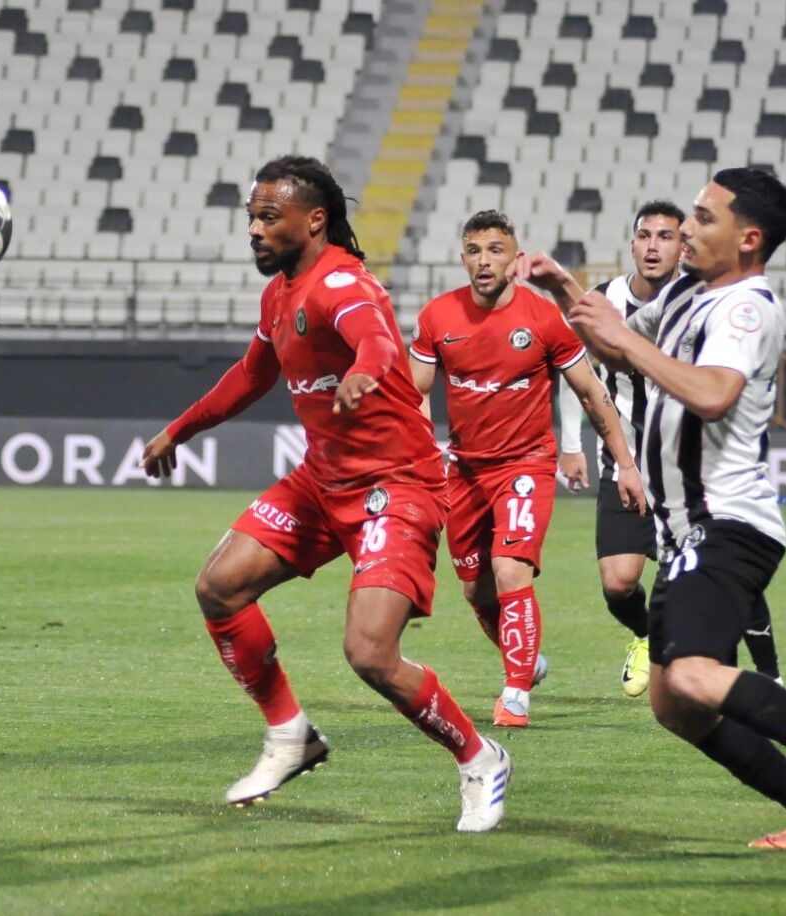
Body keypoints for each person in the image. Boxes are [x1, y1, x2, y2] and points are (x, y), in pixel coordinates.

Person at [514, 168, 786, 850]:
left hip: (727, 521)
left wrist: (626, 341)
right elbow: (619, 348)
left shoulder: (746, 308)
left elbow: (714, 393)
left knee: (695, 675)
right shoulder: (688, 294)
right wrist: (566, 292)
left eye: (702, 217)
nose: (687, 230)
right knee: (675, 704)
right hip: (684, 529)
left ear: (748, 238)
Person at [140, 156, 511, 832]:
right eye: (252, 217)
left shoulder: (341, 282)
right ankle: (291, 734)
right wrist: (179, 429)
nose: (255, 229)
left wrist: (366, 370)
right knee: (219, 587)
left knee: (370, 654)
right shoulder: (281, 293)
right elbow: (250, 376)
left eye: (268, 217)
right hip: (322, 479)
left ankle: (480, 756)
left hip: (395, 484)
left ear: (314, 220)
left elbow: (375, 339)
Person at [409, 210, 645, 728]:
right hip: (464, 470)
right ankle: (526, 658)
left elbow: (592, 393)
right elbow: (416, 392)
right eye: (475, 250)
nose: (484, 261)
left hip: (525, 465)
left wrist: (626, 464)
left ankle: (516, 694)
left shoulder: (543, 319)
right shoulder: (437, 317)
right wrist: (424, 451)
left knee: (510, 568)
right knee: (475, 589)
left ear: (515, 259)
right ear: (463, 258)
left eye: (496, 250)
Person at [558, 202, 782, 697]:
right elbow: (577, 371)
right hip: (625, 462)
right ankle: (646, 634)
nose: (653, 246)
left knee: (722, 574)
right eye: (645, 236)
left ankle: (770, 675)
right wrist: (572, 444)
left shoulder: (703, 302)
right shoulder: (606, 301)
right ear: (632, 244)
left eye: (665, 236)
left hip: (688, 468)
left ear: (683, 246)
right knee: (617, 584)